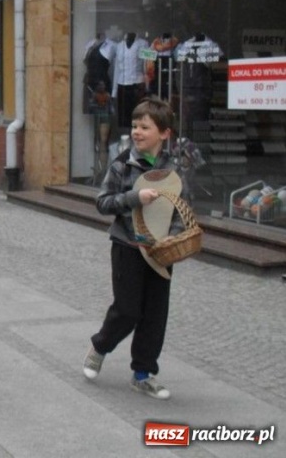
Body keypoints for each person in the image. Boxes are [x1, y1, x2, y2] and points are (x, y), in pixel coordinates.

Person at [83, 97, 184, 400]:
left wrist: (174, 237)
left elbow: (182, 207)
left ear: (164, 133)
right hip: (127, 245)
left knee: (155, 314)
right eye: (135, 126)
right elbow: (103, 202)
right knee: (127, 309)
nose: (137, 132)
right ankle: (100, 345)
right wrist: (133, 198)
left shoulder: (173, 167)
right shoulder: (121, 163)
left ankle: (143, 373)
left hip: (161, 251)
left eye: (145, 127)